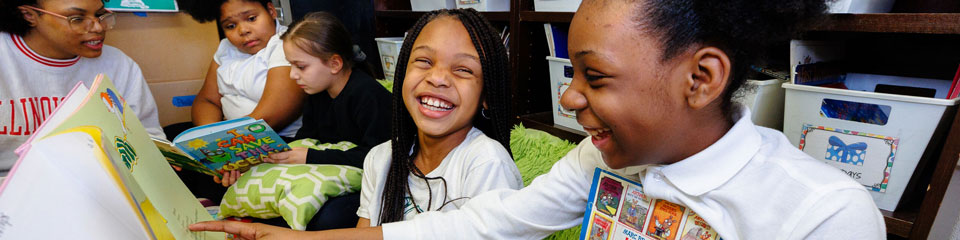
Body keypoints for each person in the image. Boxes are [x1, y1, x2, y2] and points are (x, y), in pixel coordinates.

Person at [190, 0, 887, 239]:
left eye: (597, 76)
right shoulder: (603, 159)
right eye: (573, 74)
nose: (572, 100)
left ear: (700, 78)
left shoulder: (825, 215)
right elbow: (479, 223)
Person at [239, 11, 392, 230]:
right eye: (291, 65)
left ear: (334, 64)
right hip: (328, 169)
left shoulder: (368, 95)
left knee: (328, 217)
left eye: (300, 67)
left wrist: (311, 156)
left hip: (369, 182)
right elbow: (307, 138)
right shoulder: (316, 92)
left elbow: (380, 157)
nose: (292, 75)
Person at [0, 0, 165, 176]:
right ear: (29, 15)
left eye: (100, 15)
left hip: (98, 179)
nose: (98, 27)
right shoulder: (5, 56)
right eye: (77, 18)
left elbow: (146, 135)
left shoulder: (118, 65)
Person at [187, 0, 305, 140]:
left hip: (276, 138)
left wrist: (226, 139)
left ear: (271, 11)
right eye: (230, 26)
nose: (243, 30)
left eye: (251, 18)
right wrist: (211, 135)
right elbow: (206, 101)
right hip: (230, 136)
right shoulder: (226, 47)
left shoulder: (287, 44)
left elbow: (271, 117)